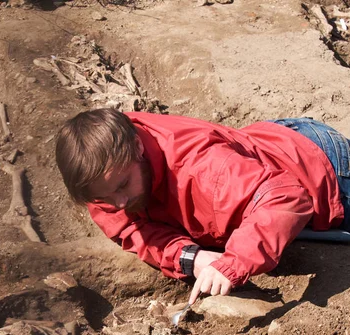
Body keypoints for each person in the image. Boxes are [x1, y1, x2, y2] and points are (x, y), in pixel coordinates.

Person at [55, 108, 350, 303]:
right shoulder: (101, 174)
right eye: (105, 198)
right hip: (261, 148)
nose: (118, 203)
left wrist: (232, 264)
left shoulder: (204, 169)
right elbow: (129, 229)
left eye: (122, 187)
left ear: (137, 147)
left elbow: (285, 196)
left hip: (321, 164)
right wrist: (191, 258)